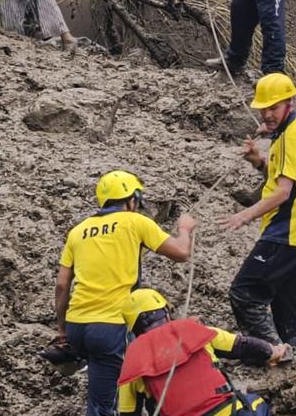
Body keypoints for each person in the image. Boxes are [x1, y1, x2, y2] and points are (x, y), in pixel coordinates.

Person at [52, 170, 197, 416]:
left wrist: (62, 329)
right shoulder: (135, 222)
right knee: (106, 406)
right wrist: (184, 229)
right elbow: (182, 253)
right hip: (111, 326)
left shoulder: (78, 231)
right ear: (132, 199)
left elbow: (62, 285)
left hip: (77, 325)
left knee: (102, 393)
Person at [222, 73, 296, 370]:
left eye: (273, 107)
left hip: (285, 231)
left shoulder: (293, 134)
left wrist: (244, 215)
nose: (267, 114)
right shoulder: (289, 134)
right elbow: (282, 177)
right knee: (290, 307)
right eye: (263, 108)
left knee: (244, 293)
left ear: (289, 102)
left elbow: (282, 192)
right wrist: (258, 161)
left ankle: (273, 354)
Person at [117, 289, 291, 416]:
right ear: (166, 313)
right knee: (256, 403)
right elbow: (244, 346)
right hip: (227, 411)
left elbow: (128, 413)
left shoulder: (132, 364)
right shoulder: (196, 331)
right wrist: (274, 351)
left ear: (134, 329)